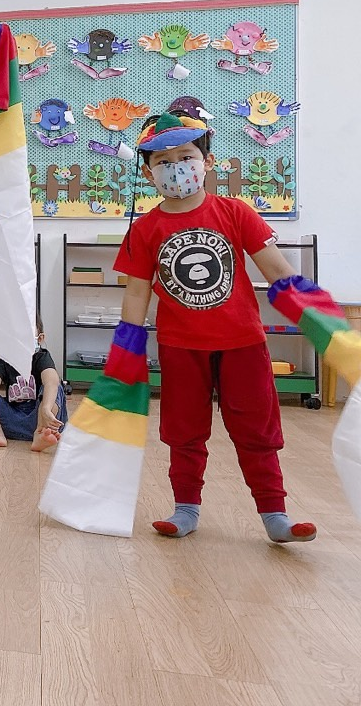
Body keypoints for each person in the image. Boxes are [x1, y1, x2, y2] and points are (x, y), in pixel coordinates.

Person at [112, 109, 318, 543]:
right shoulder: (145, 229)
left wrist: (316, 313)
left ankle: (275, 514)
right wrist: (126, 347)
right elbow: (136, 292)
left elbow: (277, 270)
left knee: (256, 427)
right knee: (183, 429)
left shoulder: (235, 212)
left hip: (243, 341)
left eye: (185, 156)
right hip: (180, 345)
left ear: (206, 161)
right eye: (163, 161)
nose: (176, 168)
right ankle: (185, 508)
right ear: (147, 172)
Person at [0, 322, 66, 451]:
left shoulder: (41, 357)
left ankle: (40, 433)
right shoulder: (3, 362)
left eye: (26, 337)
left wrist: (46, 409)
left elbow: (51, 382)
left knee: (55, 386)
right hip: (12, 422)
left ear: (40, 339)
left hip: (44, 420)